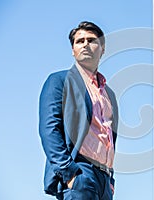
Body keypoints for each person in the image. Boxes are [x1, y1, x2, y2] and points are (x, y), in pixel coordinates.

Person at [39, 21, 118, 200]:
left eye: (91, 40)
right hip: (80, 173)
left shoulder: (109, 94)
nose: (85, 45)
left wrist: (110, 180)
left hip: (105, 181)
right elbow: (49, 129)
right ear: (73, 49)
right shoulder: (59, 81)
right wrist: (70, 174)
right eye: (79, 41)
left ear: (102, 48)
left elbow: (109, 137)